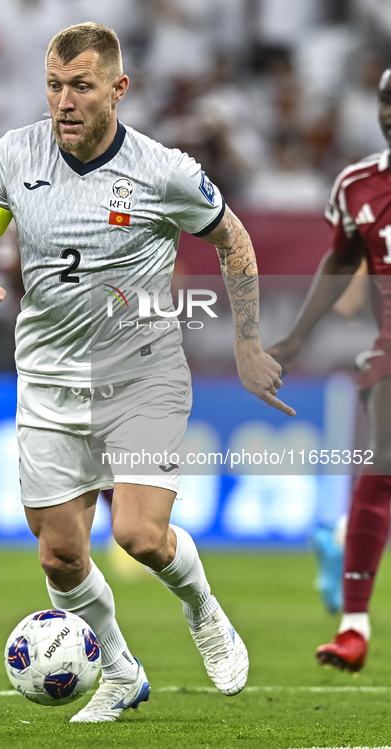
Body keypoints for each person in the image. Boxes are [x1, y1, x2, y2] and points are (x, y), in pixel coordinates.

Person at [0, 23, 294, 722]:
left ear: (117, 87)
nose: (63, 102)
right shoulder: (13, 156)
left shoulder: (161, 170)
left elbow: (233, 238)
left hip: (142, 376)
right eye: (53, 86)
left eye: (80, 86)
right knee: (59, 557)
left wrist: (248, 344)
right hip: (47, 381)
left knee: (138, 534)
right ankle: (120, 670)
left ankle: (204, 611)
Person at [268, 67, 391, 673]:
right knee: (384, 468)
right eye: (386, 101)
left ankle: (342, 537)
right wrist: (292, 341)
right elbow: (340, 263)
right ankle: (354, 627)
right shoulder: (358, 186)